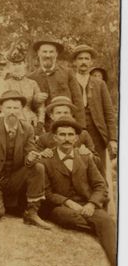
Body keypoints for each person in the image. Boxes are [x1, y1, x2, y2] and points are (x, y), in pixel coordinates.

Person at [42, 117, 116, 266]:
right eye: (62, 135)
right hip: (62, 206)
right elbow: (47, 193)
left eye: (70, 135)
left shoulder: (85, 157)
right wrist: (67, 202)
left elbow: (100, 185)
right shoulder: (46, 160)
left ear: (76, 138)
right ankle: (100, 229)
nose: (66, 139)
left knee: (107, 220)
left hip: (87, 203)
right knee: (65, 217)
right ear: (55, 138)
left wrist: (91, 204)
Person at [0, 90, 51, 229]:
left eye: (16, 108)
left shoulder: (27, 128)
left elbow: (29, 153)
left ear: (21, 109)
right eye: (9, 108)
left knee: (38, 167)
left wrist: (31, 157)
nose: (12, 111)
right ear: (0, 108)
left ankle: (32, 212)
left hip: (14, 179)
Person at [71, 44, 117, 176]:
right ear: (75, 62)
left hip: (97, 132)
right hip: (75, 132)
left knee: (99, 169)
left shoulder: (99, 84)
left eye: (87, 58)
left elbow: (108, 112)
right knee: (78, 168)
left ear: (91, 62)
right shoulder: (70, 81)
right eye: (80, 58)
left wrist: (112, 139)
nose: (84, 62)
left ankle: (102, 195)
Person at [27, 37, 85, 125]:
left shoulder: (67, 72)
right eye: (44, 52)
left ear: (56, 54)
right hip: (43, 125)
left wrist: (80, 125)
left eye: (51, 52)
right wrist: (35, 100)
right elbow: (27, 106)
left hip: (66, 123)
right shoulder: (31, 77)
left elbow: (78, 100)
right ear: (38, 53)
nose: (48, 55)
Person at [36, 96, 99, 166]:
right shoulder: (44, 139)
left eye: (66, 113)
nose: (62, 116)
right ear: (51, 116)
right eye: (58, 113)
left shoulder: (83, 135)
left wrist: (89, 154)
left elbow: (97, 162)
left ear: (71, 115)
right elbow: (35, 163)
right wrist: (42, 155)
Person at [4, 41, 44, 130]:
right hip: (11, 120)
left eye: (19, 64)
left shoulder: (32, 83)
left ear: (24, 65)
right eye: (14, 65)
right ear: (10, 67)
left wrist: (41, 122)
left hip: (31, 119)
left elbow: (41, 105)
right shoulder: (5, 84)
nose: (17, 67)